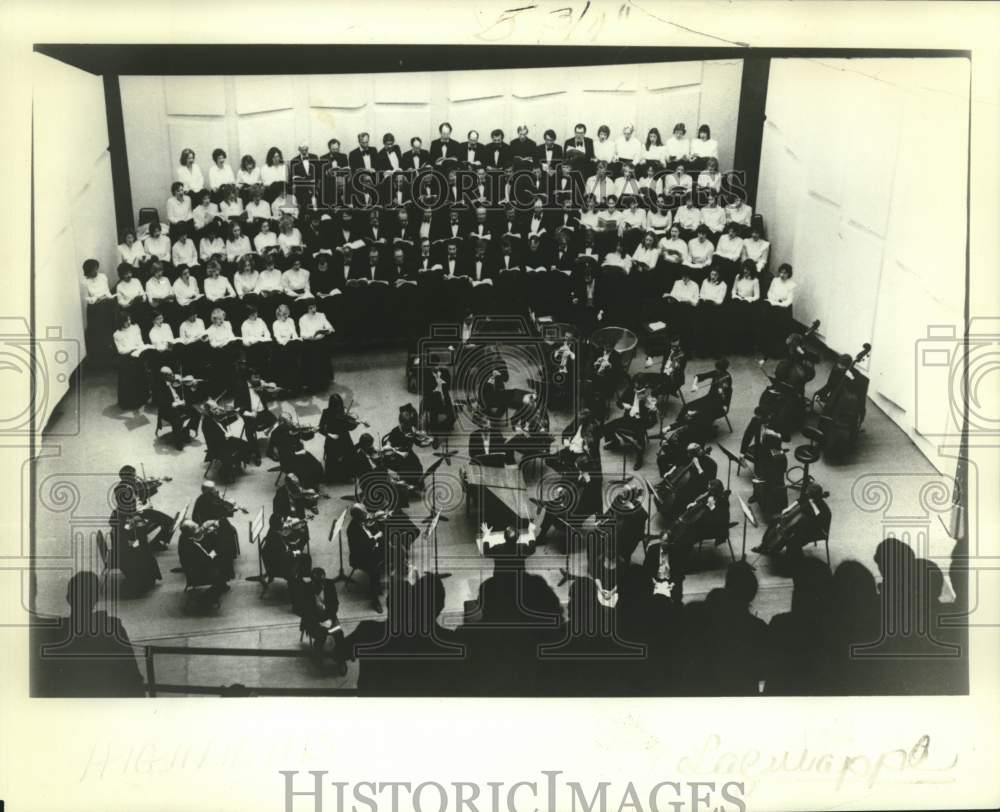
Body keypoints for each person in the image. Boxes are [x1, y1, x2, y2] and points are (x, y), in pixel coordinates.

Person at [35, 572, 145, 697]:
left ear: (68, 598)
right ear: (96, 599)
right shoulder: (113, 629)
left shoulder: (55, 633)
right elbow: (132, 676)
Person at [191, 480, 241, 577]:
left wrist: (225, 504)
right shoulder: (205, 501)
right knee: (225, 537)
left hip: (215, 522)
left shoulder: (208, 498)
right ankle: (227, 563)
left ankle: (229, 555)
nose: (216, 492)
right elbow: (217, 511)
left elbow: (219, 507)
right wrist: (229, 508)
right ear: (207, 491)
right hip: (209, 527)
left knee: (228, 530)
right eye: (213, 490)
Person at [177, 519, 231, 602]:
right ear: (192, 532)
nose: (199, 528)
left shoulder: (185, 538)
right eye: (197, 527)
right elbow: (207, 560)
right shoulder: (191, 546)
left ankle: (222, 583)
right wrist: (216, 551)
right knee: (224, 556)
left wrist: (207, 531)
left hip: (198, 566)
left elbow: (201, 544)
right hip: (199, 574)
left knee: (222, 550)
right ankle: (212, 593)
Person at [347, 504, 387, 612]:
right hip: (361, 557)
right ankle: (375, 600)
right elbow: (364, 547)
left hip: (371, 550)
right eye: (364, 513)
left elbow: (370, 533)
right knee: (374, 570)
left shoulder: (361, 522)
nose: (367, 514)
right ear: (358, 516)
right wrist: (377, 537)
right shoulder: (353, 529)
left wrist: (376, 527)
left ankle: (378, 584)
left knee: (392, 547)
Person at [152, 365, 201, 450]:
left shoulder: (176, 382)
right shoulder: (159, 387)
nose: (173, 376)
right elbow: (161, 403)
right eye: (170, 375)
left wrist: (193, 388)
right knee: (177, 419)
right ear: (165, 377)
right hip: (167, 409)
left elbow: (186, 393)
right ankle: (178, 441)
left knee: (196, 413)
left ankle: (186, 431)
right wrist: (176, 403)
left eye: (172, 374)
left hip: (179, 405)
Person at [112, 313, 151, 408]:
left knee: (141, 374)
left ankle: (142, 399)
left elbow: (140, 342)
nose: (129, 322)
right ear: (121, 322)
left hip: (137, 355)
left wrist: (140, 348)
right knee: (128, 379)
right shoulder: (117, 334)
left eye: (129, 320)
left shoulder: (135, 328)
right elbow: (121, 350)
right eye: (126, 321)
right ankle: (129, 402)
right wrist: (132, 348)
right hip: (126, 359)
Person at [82, 258, 115, 358]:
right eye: (93, 270)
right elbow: (87, 298)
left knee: (109, 329)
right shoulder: (85, 282)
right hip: (95, 309)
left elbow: (107, 290)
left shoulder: (103, 277)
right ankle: (100, 357)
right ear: (88, 271)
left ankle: (110, 354)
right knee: (98, 333)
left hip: (106, 305)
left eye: (96, 268)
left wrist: (108, 297)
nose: (95, 271)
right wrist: (97, 299)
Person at [298, 301, 334, 391]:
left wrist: (328, 330)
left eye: (314, 307)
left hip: (320, 343)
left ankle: (323, 382)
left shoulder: (321, 315)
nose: (313, 310)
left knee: (322, 360)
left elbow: (329, 326)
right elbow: (302, 334)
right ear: (307, 309)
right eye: (310, 308)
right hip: (309, 344)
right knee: (312, 363)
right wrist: (311, 335)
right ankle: (312, 383)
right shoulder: (303, 319)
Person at [762, 263, 796, 355]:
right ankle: (767, 349)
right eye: (781, 272)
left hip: (783, 309)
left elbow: (789, 300)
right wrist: (773, 299)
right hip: (773, 305)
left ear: (789, 274)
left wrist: (780, 304)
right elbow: (770, 292)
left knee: (780, 328)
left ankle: (778, 351)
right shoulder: (775, 280)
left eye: (785, 273)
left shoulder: (791, 285)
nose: (782, 275)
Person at [697, 267, 727, 356]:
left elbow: (720, 300)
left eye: (715, 275)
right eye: (712, 274)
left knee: (714, 328)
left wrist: (710, 299)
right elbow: (701, 294)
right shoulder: (705, 281)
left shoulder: (723, 285)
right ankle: (702, 351)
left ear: (719, 276)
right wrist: (708, 299)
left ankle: (713, 351)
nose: (713, 277)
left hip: (715, 309)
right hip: (705, 307)